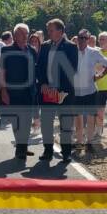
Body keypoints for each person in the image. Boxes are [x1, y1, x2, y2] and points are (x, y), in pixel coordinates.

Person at [36, 18, 79, 162]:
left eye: (51, 30)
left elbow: (71, 70)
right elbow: (40, 67)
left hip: (64, 92)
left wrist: (58, 89)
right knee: (46, 122)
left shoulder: (71, 47)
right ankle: (48, 151)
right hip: (47, 91)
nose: (48, 33)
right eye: (48, 30)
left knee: (65, 123)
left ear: (60, 31)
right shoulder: (45, 46)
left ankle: (66, 153)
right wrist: (42, 83)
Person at [0, 23, 38, 163]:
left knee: (27, 122)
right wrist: (3, 90)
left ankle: (22, 147)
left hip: (29, 91)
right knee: (16, 121)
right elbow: (2, 72)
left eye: (25, 33)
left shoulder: (32, 50)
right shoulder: (6, 50)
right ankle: (20, 147)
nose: (24, 36)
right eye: (21, 33)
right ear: (15, 35)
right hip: (12, 91)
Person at [72, 29, 107, 152]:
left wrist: (99, 76)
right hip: (75, 91)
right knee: (78, 118)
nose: (82, 40)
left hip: (90, 90)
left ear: (89, 39)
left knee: (91, 118)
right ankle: (79, 142)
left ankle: (89, 142)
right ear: (77, 38)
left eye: (85, 38)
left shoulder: (94, 52)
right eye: (81, 37)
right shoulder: (72, 51)